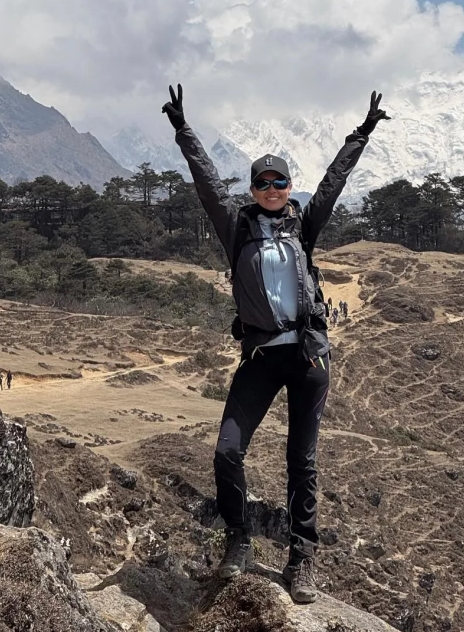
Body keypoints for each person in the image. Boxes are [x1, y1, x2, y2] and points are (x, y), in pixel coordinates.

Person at [163, 84, 389, 604]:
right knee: (227, 450)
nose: (271, 189)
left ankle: (301, 561)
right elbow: (206, 182)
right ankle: (238, 540)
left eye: (279, 181)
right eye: (263, 183)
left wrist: (361, 134)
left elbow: (333, 183)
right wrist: (183, 130)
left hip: (308, 356)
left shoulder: (303, 225)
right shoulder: (236, 227)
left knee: (301, 462)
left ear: (289, 187)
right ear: (252, 189)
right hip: (262, 356)